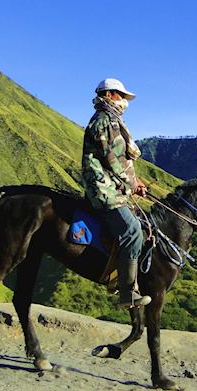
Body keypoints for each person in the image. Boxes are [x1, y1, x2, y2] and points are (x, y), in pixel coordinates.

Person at [81, 78, 151, 308]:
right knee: (132, 231)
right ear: (109, 95)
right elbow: (114, 159)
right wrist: (132, 183)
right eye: (121, 96)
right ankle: (127, 293)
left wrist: (134, 182)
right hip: (103, 188)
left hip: (113, 185)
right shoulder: (104, 121)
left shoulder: (111, 120)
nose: (124, 102)